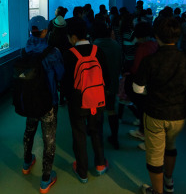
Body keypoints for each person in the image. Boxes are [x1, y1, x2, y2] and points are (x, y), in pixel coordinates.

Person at [131, 18, 186, 194]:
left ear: (156, 36)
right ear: (178, 35)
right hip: (179, 115)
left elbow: (138, 89)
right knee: (170, 147)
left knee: (155, 156)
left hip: (155, 114)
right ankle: (169, 182)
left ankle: (157, 191)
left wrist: (152, 93)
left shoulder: (150, 60)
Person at [61, 17, 110, 183]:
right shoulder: (98, 50)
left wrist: (68, 98)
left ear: (73, 37)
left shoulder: (69, 54)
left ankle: (82, 171)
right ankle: (100, 164)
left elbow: (65, 82)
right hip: (97, 100)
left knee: (79, 135)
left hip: (77, 103)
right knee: (96, 131)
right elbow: (106, 77)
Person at [21, 16, 64, 193]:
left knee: (29, 131)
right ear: (45, 31)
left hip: (29, 100)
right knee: (49, 140)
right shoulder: (53, 52)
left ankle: (26, 163)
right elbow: (60, 76)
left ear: (31, 30)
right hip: (48, 102)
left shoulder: (25, 49)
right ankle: (45, 179)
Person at [125, 22, 158, 150]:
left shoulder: (143, 48)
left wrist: (129, 73)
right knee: (146, 109)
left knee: (144, 108)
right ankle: (142, 130)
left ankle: (145, 135)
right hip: (153, 82)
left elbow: (137, 67)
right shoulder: (154, 44)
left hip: (144, 83)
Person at [92, 20, 122, 150]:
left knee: (96, 111)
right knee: (111, 110)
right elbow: (121, 64)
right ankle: (114, 138)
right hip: (113, 84)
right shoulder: (116, 45)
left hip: (97, 86)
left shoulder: (94, 47)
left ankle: (96, 137)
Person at [47, 15, 72, 106]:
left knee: (53, 79)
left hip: (53, 60)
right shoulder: (66, 36)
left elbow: (49, 47)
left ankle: (54, 99)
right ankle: (62, 99)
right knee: (64, 80)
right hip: (65, 59)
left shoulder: (51, 35)